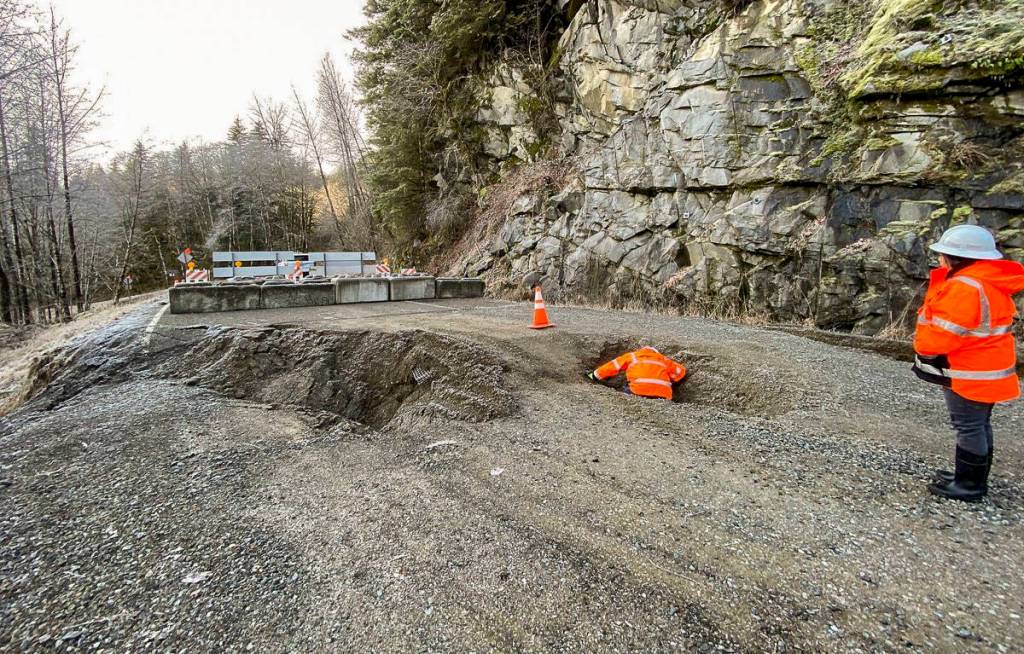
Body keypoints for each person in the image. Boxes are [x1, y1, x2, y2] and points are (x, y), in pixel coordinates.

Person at [912, 224, 1024, 502]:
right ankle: (970, 476)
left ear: (954, 257)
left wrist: (922, 347)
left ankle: (969, 485)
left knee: (969, 426)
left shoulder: (965, 288)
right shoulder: (988, 283)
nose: (939, 259)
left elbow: (943, 335)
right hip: (986, 368)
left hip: (970, 372)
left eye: (942, 254)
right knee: (979, 424)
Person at [588, 346, 687, 400]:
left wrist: (594, 376)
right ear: (656, 353)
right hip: (663, 395)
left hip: (638, 391)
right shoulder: (663, 359)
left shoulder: (633, 356)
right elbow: (680, 373)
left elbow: (611, 366)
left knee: (623, 391)